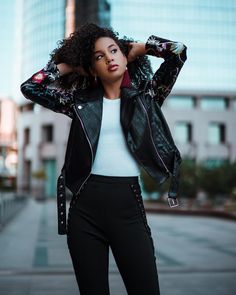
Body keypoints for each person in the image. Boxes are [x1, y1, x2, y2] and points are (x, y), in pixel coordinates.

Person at [21, 23, 187, 295]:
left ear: (125, 57)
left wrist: (140, 48)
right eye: (99, 56)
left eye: (114, 51)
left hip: (128, 208)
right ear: (91, 68)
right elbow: (31, 87)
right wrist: (71, 65)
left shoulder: (147, 98)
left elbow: (178, 52)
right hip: (85, 211)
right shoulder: (77, 101)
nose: (109, 58)